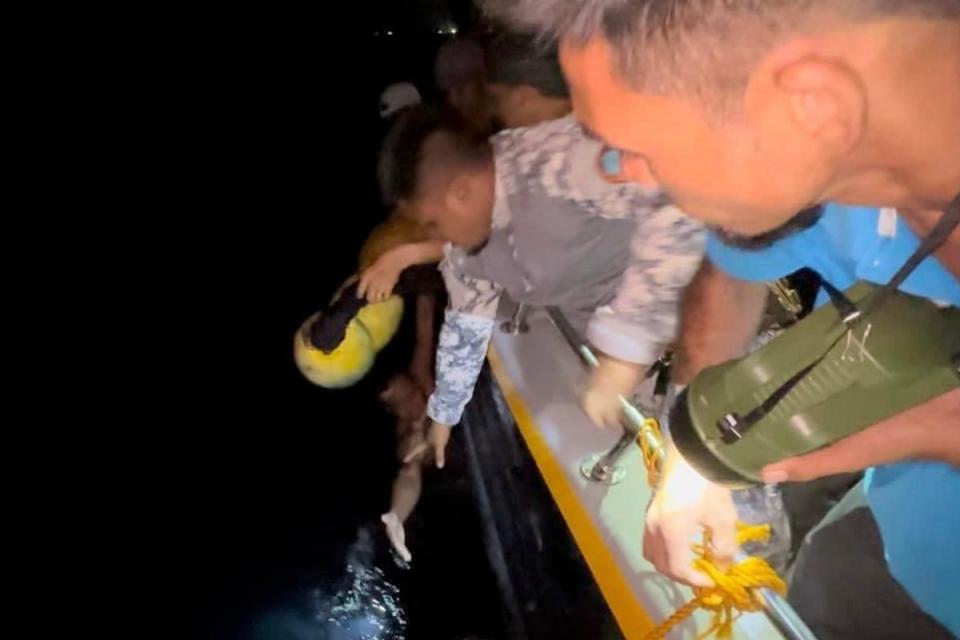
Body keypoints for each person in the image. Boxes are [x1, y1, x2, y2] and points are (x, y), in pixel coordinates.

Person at [483, 1, 960, 636]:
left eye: (637, 150)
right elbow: (732, 267)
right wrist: (691, 455)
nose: (614, 173)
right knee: (827, 576)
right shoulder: (828, 168)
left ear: (812, 106)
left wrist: (935, 434)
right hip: (899, 544)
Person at [377, 104, 704, 468]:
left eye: (433, 224)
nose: (436, 240)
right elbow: (467, 321)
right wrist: (444, 414)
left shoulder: (560, 159)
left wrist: (625, 353)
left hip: (701, 315)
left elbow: (677, 196)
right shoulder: (467, 254)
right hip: (631, 364)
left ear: (461, 194)